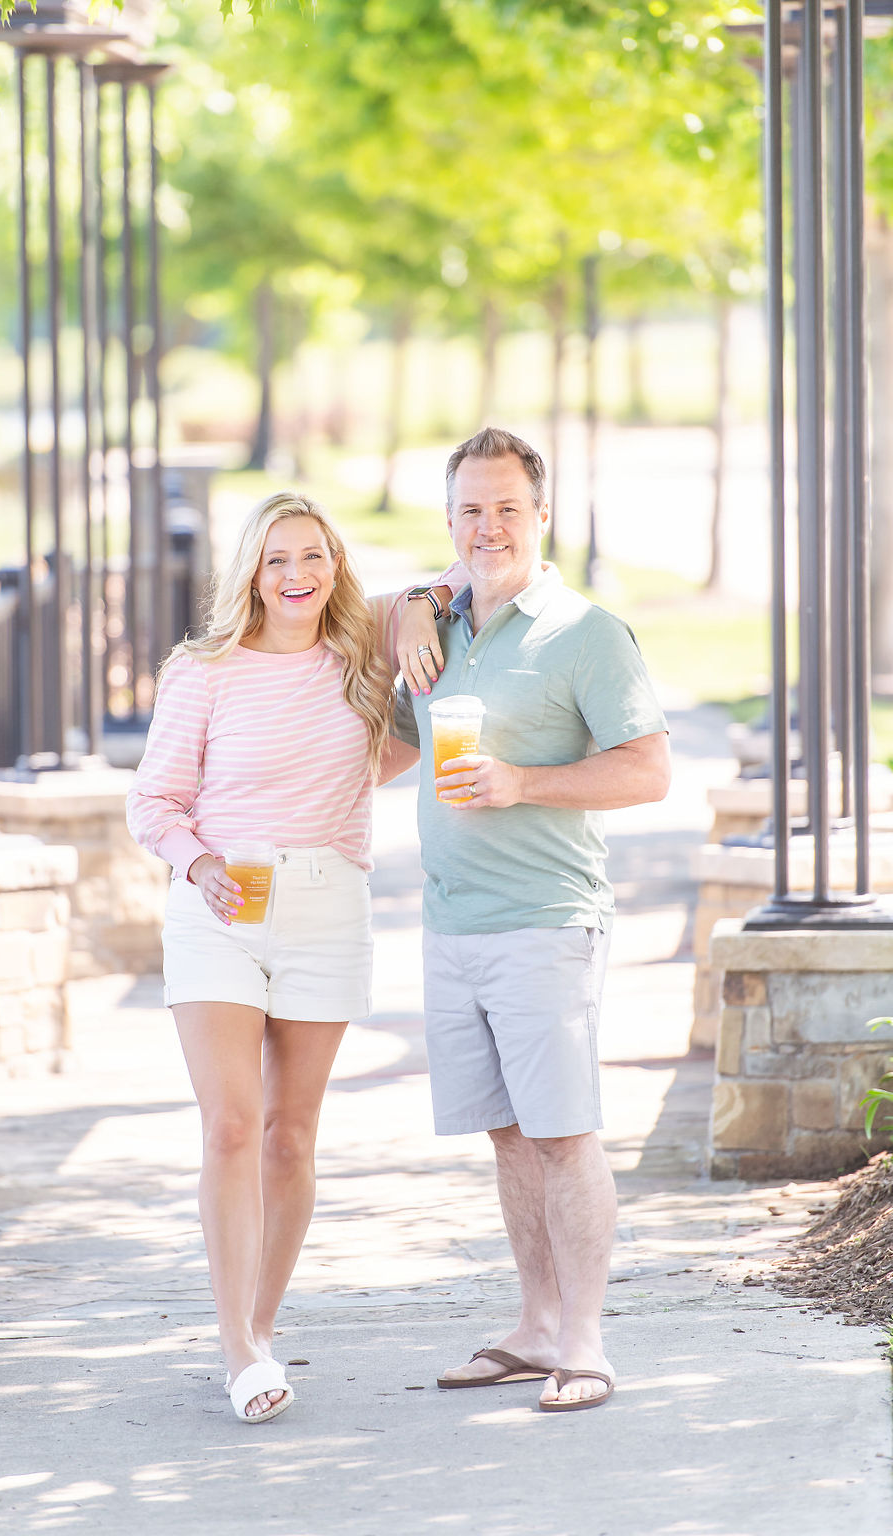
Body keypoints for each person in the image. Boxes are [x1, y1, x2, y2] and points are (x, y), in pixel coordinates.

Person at [126, 491, 454, 1425]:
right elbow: (154, 802)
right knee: (233, 1123)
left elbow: (436, 592)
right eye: (278, 559)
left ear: (336, 568)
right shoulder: (204, 671)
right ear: (251, 573)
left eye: (315, 556)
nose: (298, 575)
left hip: (325, 904)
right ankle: (236, 1346)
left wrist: (422, 611)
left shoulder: (360, 664)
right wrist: (197, 862)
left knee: (291, 1136)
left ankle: (258, 1335)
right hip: (220, 903)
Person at [387, 427, 671, 1413]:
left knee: (563, 1134)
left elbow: (647, 768)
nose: (488, 526)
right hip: (450, 924)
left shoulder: (585, 634)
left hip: (545, 924)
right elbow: (384, 749)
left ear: (541, 516)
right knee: (508, 1135)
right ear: (449, 520)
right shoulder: (441, 630)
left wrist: (522, 782)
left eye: (507, 507)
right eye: (470, 508)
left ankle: (584, 1345)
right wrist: (403, 613)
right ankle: (536, 1323)